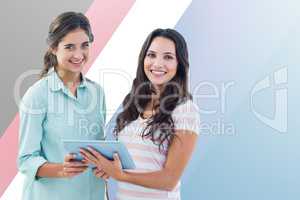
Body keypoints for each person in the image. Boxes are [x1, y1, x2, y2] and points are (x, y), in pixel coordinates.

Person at [81, 28, 200, 200]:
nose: (157, 64)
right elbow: (133, 164)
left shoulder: (185, 109)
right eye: (151, 55)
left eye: (168, 57)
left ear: (179, 64)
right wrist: (106, 167)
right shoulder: (134, 105)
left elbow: (169, 179)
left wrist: (120, 175)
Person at [17, 12, 106, 200]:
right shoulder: (37, 95)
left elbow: (98, 145)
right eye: (69, 47)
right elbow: (26, 160)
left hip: (92, 194)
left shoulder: (97, 92)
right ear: (53, 48)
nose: (78, 54)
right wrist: (62, 170)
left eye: (84, 46)